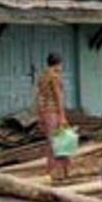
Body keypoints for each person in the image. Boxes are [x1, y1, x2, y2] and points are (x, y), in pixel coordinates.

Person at [35, 53, 70, 181]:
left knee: (51, 143)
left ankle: (50, 171)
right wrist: (62, 116)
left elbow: (38, 98)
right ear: (58, 63)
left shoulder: (42, 77)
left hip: (45, 113)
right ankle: (59, 172)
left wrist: (40, 115)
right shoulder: (54, 77)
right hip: (54, 112)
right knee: (61, 142)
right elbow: (58, 97)